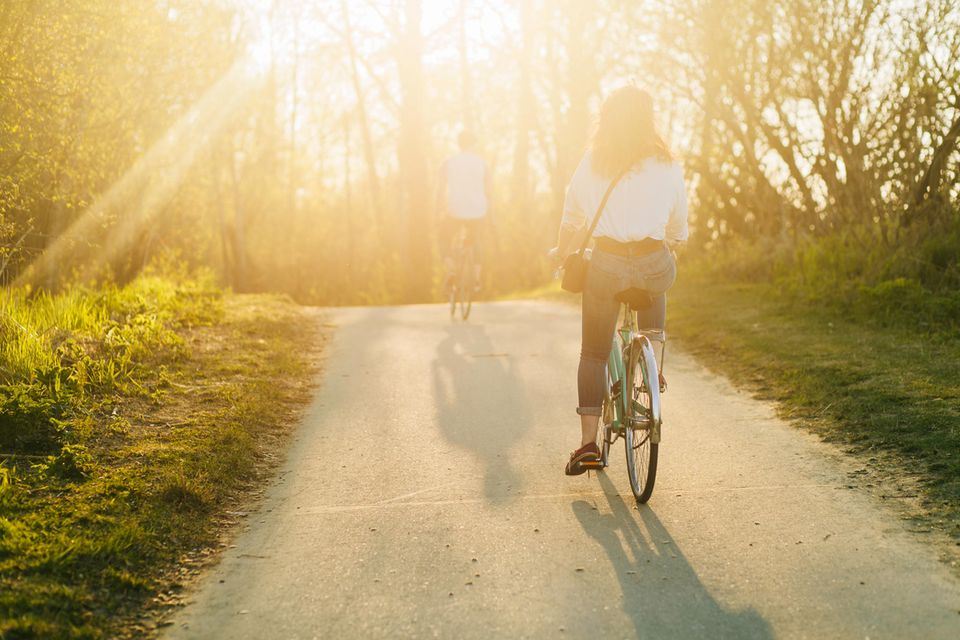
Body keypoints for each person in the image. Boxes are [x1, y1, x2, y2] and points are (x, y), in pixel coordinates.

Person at [550, 86, 688, 476]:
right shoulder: (666, 164)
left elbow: (571, 218)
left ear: (606, 119)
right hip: (652, 262)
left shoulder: (592, 162)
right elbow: (679, 224)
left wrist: (562, 253)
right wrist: (671, 242)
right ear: (648, 119)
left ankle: (588, 444)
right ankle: (652, 362)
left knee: (593, 354)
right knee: (661, 270)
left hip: (606, 264)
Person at [437, 129, 492, 293]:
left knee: (443, 238)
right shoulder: (483, 164)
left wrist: (437, 212)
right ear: (474, 144)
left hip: (454, 210)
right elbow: (489, 192)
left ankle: (451, 269)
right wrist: (491, 215)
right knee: (475, 242)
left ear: (458, 144)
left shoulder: (448, 163)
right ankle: (475, 279)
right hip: (478, 211)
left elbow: (440, 190)